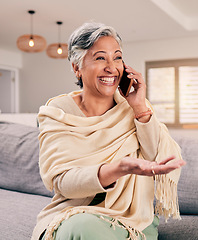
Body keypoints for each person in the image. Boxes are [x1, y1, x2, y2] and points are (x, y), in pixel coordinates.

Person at [31, 22, 186, 240]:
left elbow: (154, 156)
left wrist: (139, 107)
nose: (111, 67)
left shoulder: (135, 107)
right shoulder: (57, 112)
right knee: (81, 226)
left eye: (118, 57)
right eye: (100, 58)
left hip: (132, 218)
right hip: (73, 213)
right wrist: (117, 169)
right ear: (77, 68)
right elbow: (61, 181)